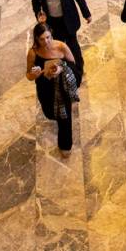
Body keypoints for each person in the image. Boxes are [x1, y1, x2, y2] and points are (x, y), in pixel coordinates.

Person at [31, 0, 91, 80]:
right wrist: (38, 13)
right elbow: (35, 1)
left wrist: (87, 14)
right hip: (51, 22)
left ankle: (78, 71)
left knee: (73, 46)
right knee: (56, 47)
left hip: (68, 20)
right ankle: (59, 70)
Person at [26, 23, 79, 157]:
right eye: (42, 39)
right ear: (36, 39)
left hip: (62, 87)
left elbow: (74, 66)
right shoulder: (33, 53)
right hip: (45, 88)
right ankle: (55, 117)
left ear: (51, 33)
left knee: (64, 117)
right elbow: (28, 75)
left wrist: (62, 68)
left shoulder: (61, 46)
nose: (46, 42)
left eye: (48, 37)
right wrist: (35, 74)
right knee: (50, 113)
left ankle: (65, 145)